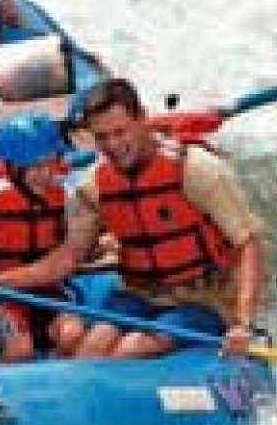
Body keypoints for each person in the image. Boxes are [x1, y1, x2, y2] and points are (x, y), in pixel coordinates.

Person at [66, 77, 264, 358]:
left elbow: (248, 245)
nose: (113, 144)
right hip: (139, 293)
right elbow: (69, 257)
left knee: (131, 348)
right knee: (90, 348)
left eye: (120, 132)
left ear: (143, 119)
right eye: (102, 137)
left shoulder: (197, 170)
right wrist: (0, 279)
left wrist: (243, 324)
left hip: (204, 298)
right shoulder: (93, 185)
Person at [0, 113, 84, 362]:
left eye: (50, 163)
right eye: (35, 166)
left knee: (73, 335)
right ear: (12, 167)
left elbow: (76, 243)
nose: (45, 173)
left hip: (49, 291)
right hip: (3, 296)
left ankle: (57, 379)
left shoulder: (66, 195)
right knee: (20, 348)